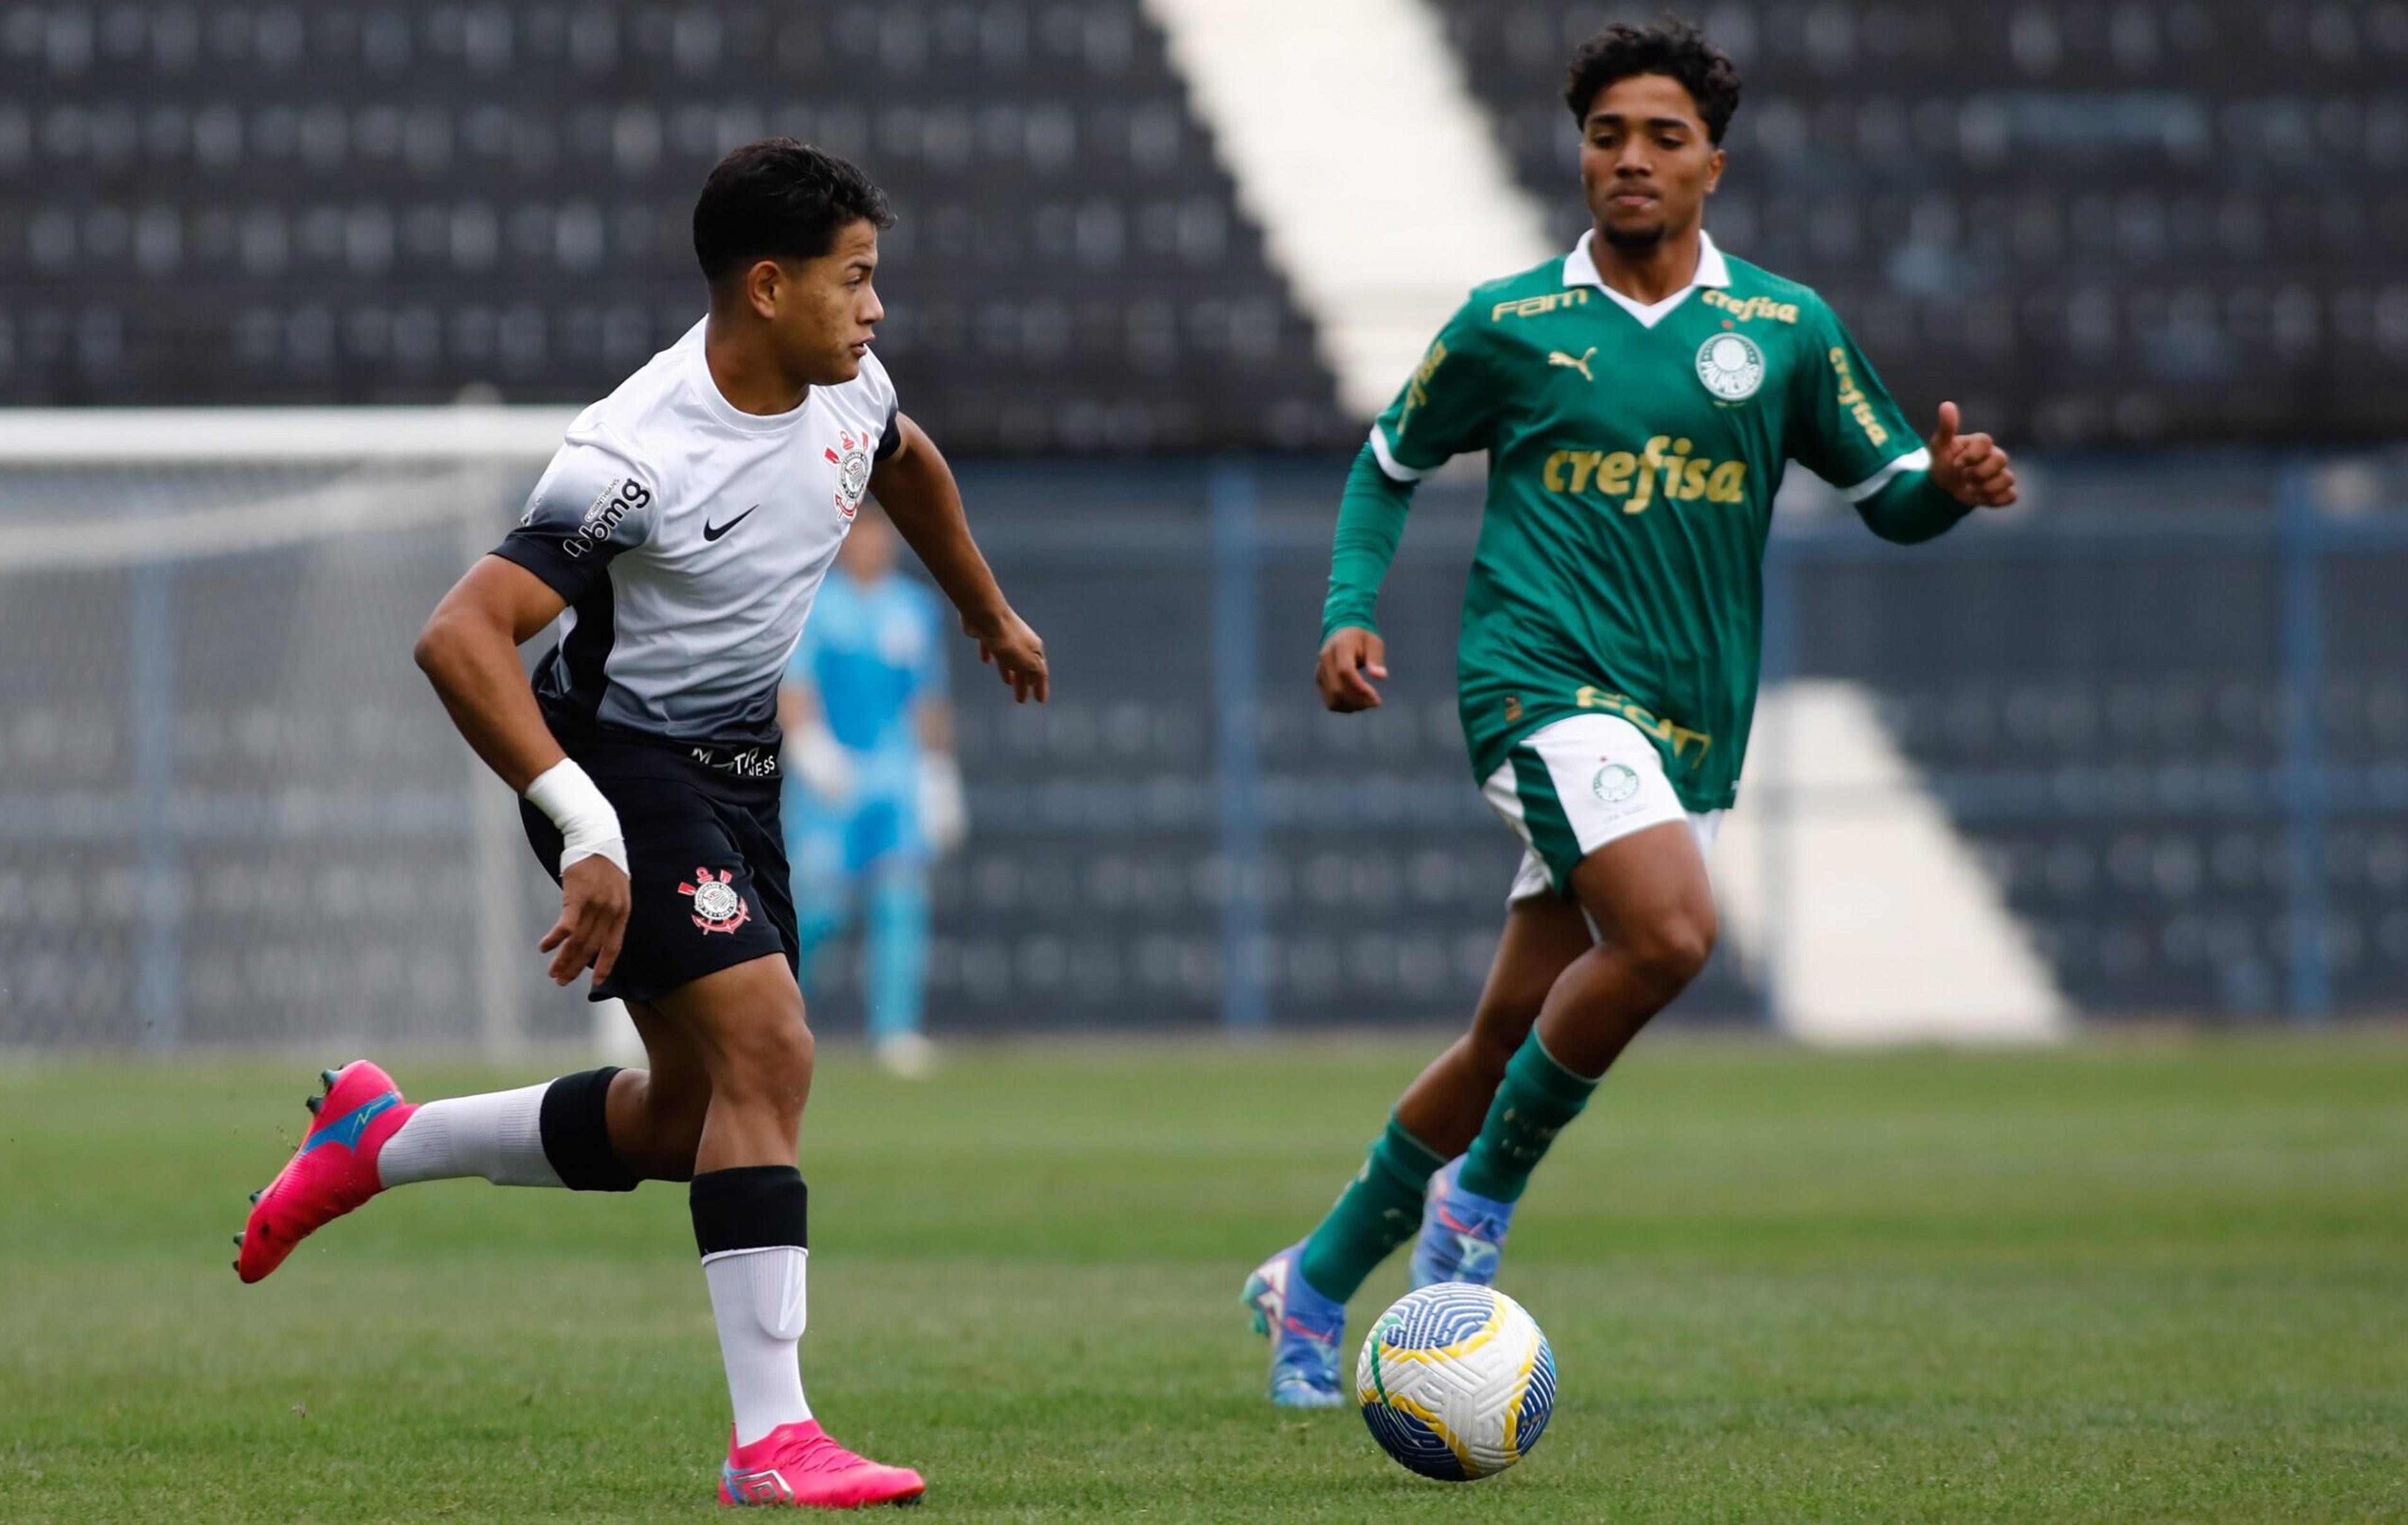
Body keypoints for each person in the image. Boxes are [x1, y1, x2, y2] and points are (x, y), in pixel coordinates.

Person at [231, 139, 1049, 1507]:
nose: (877, 308)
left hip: (736, 783)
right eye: (856, 281)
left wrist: (983, 610)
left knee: (691, 1120)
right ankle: (771, 1438)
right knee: (773, 1053)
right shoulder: (639, 449)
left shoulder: (849, 389)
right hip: (617, 767)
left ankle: (383, 1140)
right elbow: (461, 636)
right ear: (770, 287)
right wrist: (583, 823)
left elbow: (905, 464)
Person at [1242, 18, 2017, 1407]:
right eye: (1608, 136)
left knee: (1506, 1038)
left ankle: (1310, 1279)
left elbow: (1889, 494)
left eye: (1664, 137)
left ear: (1713, 161)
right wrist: (1346, 608)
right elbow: (1387, 463)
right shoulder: (1512, 323)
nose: (1633, 160)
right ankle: (1471, 1222)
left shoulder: (1782, 330)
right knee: (1671, 933)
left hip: (1689, 731)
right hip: (1536, 688)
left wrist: (1946, 487)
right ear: (1582, 155)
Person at [780, 512, 965, 1080]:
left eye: (880, 533)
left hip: (898, 776)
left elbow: (928, 698)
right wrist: (812, 751)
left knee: (901, 900)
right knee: (817, 913)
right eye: (860, 534)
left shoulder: (914, 608)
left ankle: (895, 1032)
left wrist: (938, 775)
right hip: (834, 779)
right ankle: (775, 1022)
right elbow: (795, 688)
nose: (871, 544)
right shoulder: (816, 606)